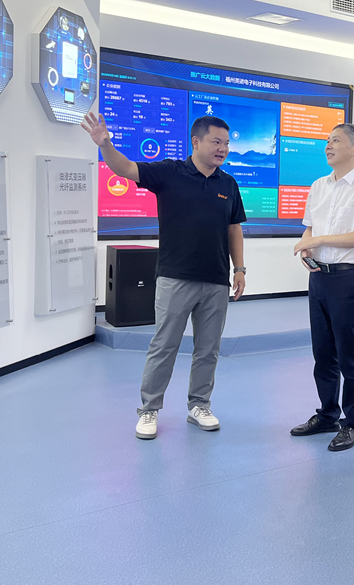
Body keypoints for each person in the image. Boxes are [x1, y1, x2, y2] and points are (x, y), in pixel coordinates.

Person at [81, 112, 247, 440]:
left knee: (208, 349)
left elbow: (234, 228)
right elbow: (126, 169)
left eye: (226, 144)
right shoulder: (170, 172)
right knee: (164, 346)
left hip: (216, 280)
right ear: (196, 141)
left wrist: (239, 269)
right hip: (175, 277)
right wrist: (106, 145)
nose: (223, 149)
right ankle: (149, 409)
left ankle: (199, 405)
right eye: (216, 142)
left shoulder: (228, 184)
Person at [290, 123, 354, 452]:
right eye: (327, 140)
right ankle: (328, 414)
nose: (328, 146)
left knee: (349, 353)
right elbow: (309, 229)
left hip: (349, 277)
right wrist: (308, 247)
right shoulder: (319, 186)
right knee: (323, 352)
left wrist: (317, 240)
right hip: (319, 276)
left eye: (336, 140)